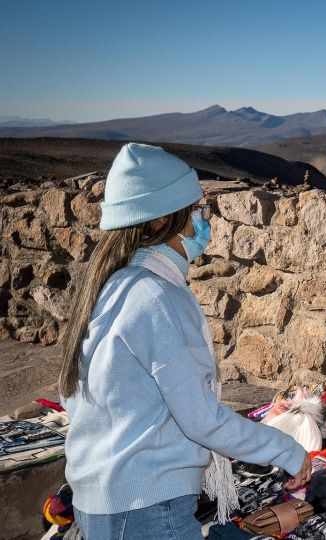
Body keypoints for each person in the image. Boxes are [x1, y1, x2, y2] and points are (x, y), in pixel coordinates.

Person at [58, 143, 311, 539]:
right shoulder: (157, 296)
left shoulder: (112, 287)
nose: (203, 222)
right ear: (163, 220)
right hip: (145, 508)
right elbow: (200, 418)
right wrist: (287, 452)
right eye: (197, 211)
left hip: (105, 501)